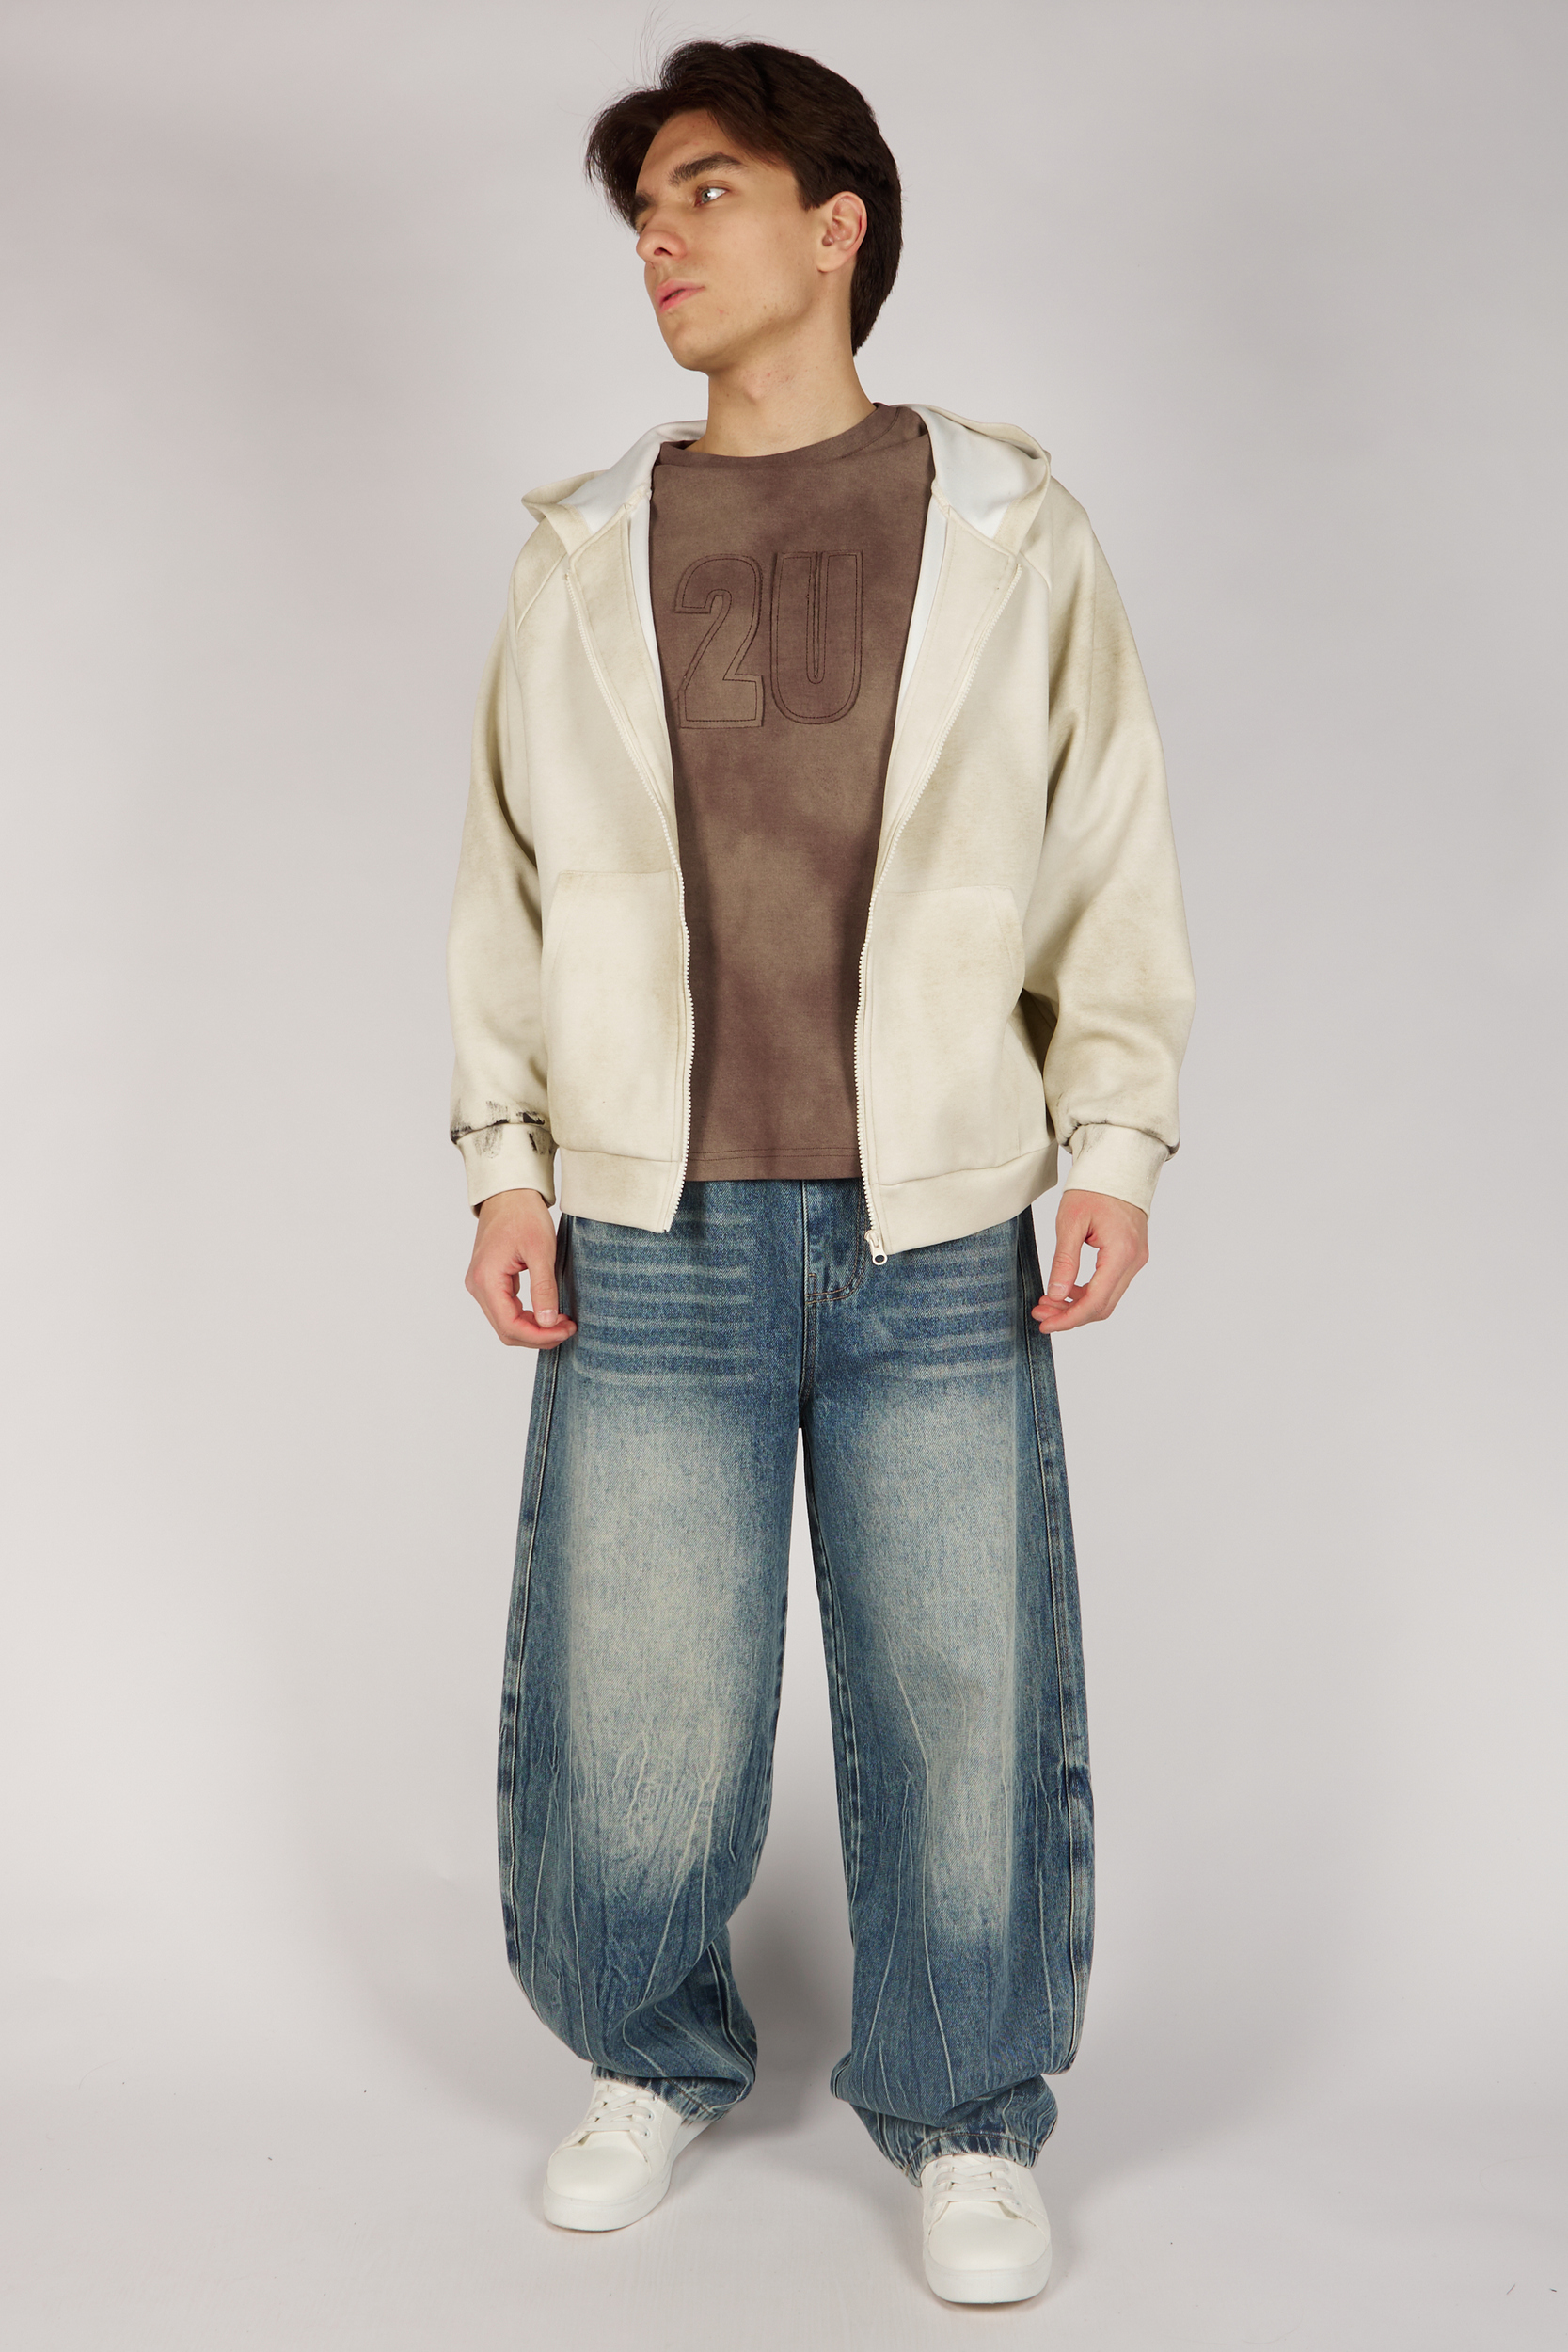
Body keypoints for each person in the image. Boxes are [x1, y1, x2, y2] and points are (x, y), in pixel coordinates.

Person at [445, 38, 1195, 2308]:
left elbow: (1108, 842)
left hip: (940, 1211)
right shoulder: (583, 546)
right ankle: (649, 2046)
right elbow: (504, 880)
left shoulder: (1013, 528)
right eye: (640, 213)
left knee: (967, 1690)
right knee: (637, 1695)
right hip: (650, 1213)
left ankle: (967, 2109)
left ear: (834, 220)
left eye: (703, 191)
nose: (659, 243)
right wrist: (505, 1162)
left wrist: (1114, 1136)